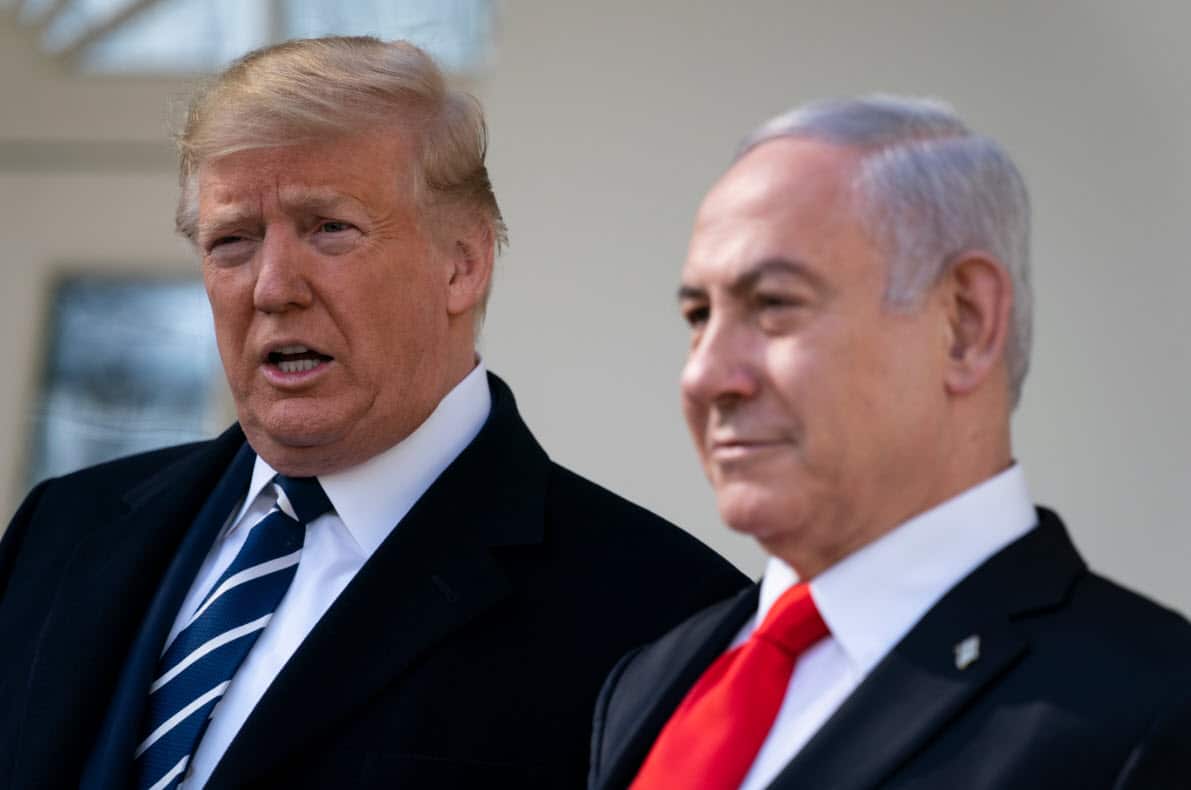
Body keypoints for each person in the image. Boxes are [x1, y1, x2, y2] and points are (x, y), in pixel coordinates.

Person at [0, 37, 747, 789]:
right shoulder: (62, 530)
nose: (272, 287)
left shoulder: (665, 621)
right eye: (233, 241)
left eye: (330, 228)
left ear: (463, 262)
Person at [588, 96, 1191, 789]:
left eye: (775, 303)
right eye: (699, 315)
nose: (705, 375)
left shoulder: (1146, 712)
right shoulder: (647, 681)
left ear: (962, 324)